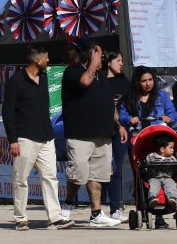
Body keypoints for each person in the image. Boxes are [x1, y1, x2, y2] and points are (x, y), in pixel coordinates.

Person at [2, 46, 74, 231]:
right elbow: (7, 113)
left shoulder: (43, 79)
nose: (48, 61)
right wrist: (12, 139)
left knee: (50, 177)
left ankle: (55, 218)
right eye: (47, 58)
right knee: (21, 179)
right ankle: (21, 219)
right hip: (24, 138)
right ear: (37, 60)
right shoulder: (15, 81)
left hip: (46, 137)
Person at [61, 39, 126, 228]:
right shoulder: (73, 71)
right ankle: (67, 206)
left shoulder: (102, 77)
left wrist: (118, 124)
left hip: (103, 133)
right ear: (88, 54)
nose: (102, 56)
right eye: (97, 52)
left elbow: (109, 104)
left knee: (98, 175)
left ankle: (96, 214)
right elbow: (84, 81)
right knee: (78, 173)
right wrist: (93, 64)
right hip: (80, 133)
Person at [118, 66, 177, 229]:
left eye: (150, 80)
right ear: (137, 82)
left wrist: (168, 118)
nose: (147, 83)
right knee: (140, 177)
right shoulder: (129, 99)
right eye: (143, 81)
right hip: (138, 142)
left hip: (157, 140)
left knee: (162, 175)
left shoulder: (162, 97)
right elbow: (122, 115)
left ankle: (160, 215)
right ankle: (142, 211)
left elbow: (174, 115)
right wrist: (130, 119)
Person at [102, 51, 130, 223]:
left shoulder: (124, 82)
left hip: (121, 130)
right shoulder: (100, 81)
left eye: (122, 60)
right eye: (118, 60)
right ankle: (97, 209)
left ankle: (115, 208)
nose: (121, 64)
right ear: (108, 62)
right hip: (102, 129)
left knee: (117, 168)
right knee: (101, 169)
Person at [145, 135, 177, 210]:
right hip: (154, 177)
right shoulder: (151, 156)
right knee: (153, 185)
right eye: (171, 148)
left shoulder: (172, 158)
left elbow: (176, 166)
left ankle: (172, 199)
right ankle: (152, 198)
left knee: (172, 184)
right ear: (162, 149)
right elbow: (145, 165)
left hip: (167, 177)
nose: (173, 150)